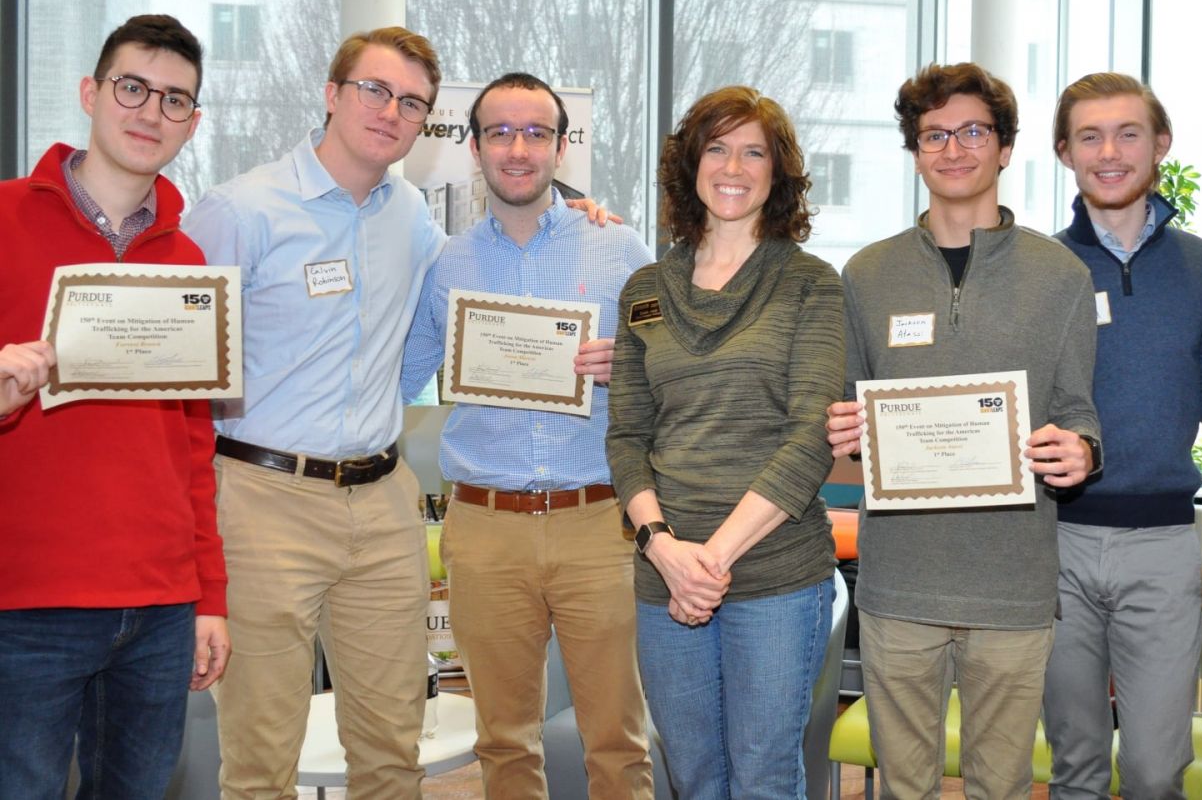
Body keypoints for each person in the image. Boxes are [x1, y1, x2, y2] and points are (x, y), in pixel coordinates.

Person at [183, 26, 450, 798]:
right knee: (263, 758)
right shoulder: (240, 210)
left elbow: (463, 299)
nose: (390, 112)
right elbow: (184, 371)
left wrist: (582, 218)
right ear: (332, 95)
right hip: (265, 500)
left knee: (392, 749)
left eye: (411, 104)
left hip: (384, 501)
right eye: (374, 90)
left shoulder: (413, 219)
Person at [825, 62, 1102, 798]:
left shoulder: (1060, 274)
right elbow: (847, 406)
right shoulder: (868, 273)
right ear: (916, 152)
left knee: (1002, 785)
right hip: (899, 583)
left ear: (1005, 148)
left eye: (973, 131)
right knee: (902, 785)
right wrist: (844, 426)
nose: (953, 149)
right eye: (934, 135)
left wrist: (1082, 450)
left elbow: (1079, 410)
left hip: (1012, 584)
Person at [400, 72, 655, 798]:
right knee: (504, 743)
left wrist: (631, 366)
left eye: (536, 132)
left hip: (598, 522)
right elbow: (396, 376)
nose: (518, 149)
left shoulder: (619, 248)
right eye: (500, 133)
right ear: (474, 147)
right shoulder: (445, 265)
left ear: (562, 147)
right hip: (486, 527)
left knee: (618, 740)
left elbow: (673, 371)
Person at [0, 14, 229, 799]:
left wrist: (209, 597)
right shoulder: (2, 220)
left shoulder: (189, 260)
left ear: (192, 125)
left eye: (174, 100)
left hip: (161, 607)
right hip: (26, 603)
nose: (150, 112)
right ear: (91, 93)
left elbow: (192, 449)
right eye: (133, 87)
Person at [606, 86, 843, 799]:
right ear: (691, 164)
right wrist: (663, 549)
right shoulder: (645, 289)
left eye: (753, 151)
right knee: (695, 778)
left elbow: (810, 439)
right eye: (717, 147)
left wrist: (708, 563)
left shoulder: (811, 284)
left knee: (765, 779)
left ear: (778, 173)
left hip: (772, 576)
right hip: (665, 574)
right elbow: (626, 436)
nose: (733, 166)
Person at [1045, 72, 1202, 800]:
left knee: (1157, 771)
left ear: (1161, 146)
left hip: (1162, 546)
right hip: (1055, 542)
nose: (1110, 151)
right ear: (1065, 152)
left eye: (1129, 133)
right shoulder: (1039, 268)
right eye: (1089, 135)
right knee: (1076, 766)